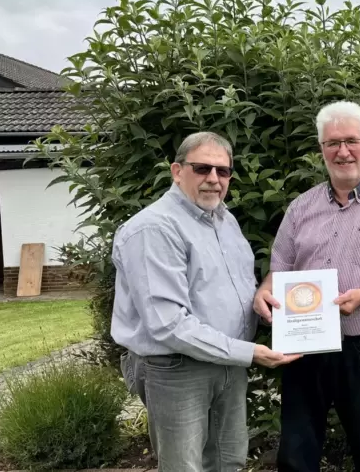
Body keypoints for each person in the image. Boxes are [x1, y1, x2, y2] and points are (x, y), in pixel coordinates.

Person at [253, 100, 360, 472]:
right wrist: (263, 292)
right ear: (321, 149)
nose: (342, 151)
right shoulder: (301, 207)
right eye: (332, 143)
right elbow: (280, 267)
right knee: (297, 452)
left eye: (351, 140)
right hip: (304, 346)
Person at [111, 131, 300, 472]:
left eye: (223, 171)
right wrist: (250, 352)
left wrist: (259, 297)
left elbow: (233, 285)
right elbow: (168, 323)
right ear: (177, 171)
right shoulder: (154, 229)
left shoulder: (224, 221)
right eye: (202, 168)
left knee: (229, 459)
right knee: (185, 466)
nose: (214, 179)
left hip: (228, 365)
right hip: (178, 370)